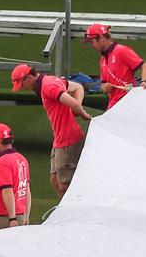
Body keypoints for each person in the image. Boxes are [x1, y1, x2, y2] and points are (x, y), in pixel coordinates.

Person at [11, 64, 92, 200]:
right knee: (55, 179)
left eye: (22, 84)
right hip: (59, 139)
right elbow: (78, 88)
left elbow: (75, 103)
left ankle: (70, 214)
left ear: (29, 77)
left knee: (65, 185)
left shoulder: (48, 86)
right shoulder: (49, 81)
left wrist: (81, 112)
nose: (23, 88)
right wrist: (76, 109)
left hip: (68, 140)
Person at [84, 23, 146, 110]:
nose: (92, 46)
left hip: (128, 104)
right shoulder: (102, 60)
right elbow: (103, 84)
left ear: (101, 38)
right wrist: (105, 87)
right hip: (114, 106)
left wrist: (144, 81)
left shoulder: (121, 51)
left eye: (92, 42)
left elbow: (145, 66)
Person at [0, 123, 31, 229]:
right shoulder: (21, 159)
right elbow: (26, 190)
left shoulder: (2, 162)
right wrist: (26, 216)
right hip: (21, 216)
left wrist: (12, 219)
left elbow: (7, 191)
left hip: (6, 219)